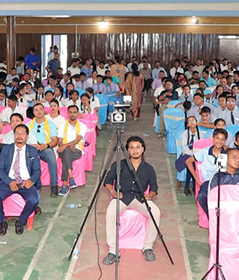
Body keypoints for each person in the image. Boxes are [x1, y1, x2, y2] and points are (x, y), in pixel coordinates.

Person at [101, 136, 162, 264]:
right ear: (127, 150)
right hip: (122, 197)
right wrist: (113, 192)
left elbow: (154, 188)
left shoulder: (149, 168)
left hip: (140, 198)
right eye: (132, 148)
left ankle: (148, 247)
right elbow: (107, 181)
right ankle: (113, 250)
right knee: (110, 213)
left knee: (155, 213)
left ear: (143, 149)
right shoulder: (118, 165)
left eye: (138, 147)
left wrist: (149, 196)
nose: (135, 151)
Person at [0, 124, 41, 235]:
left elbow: (37, 170)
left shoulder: (32, 150)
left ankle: (21, 221)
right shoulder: (6, 149)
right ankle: (2, 221)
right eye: (17, 133)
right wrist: (9, 181)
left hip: (25, 182)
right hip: (9, 181)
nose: (19, 136)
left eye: (22, 133)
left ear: (27, 136)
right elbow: (0, 169)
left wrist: (31, 181)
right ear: (14, 135)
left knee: (34, 200)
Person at [197, 147, 239, 218]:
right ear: (225, 159)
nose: (237, 160)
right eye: (234, 157)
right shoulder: (217, 177)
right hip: (223, 213)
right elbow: (212, 197)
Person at [28, 103, 61, 196]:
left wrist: (46, 145)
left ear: (44, 111)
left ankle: (54, 185)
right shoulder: (28, 125)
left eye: (41, 109)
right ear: (33, 112)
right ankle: (32, 186)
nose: (39, 112)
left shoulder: (50, 124)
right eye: (36, 110)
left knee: (51, 155)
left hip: (45, 148)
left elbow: (55, 141)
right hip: (32, 148)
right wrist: (32, 145)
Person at [58, 105, 87, 194]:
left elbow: (77, 140)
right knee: (67, 152)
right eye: (70, 112)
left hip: (76, 150)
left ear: (78, 114)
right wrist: (68, 146)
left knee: (66, 154)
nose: (72, 114)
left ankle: (65, 184)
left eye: (74, 112)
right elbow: (60, 142)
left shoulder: (82, 126)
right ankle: (71, 178)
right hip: (64, 150)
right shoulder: (62, 126)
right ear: (67, 114)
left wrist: (66, 146)